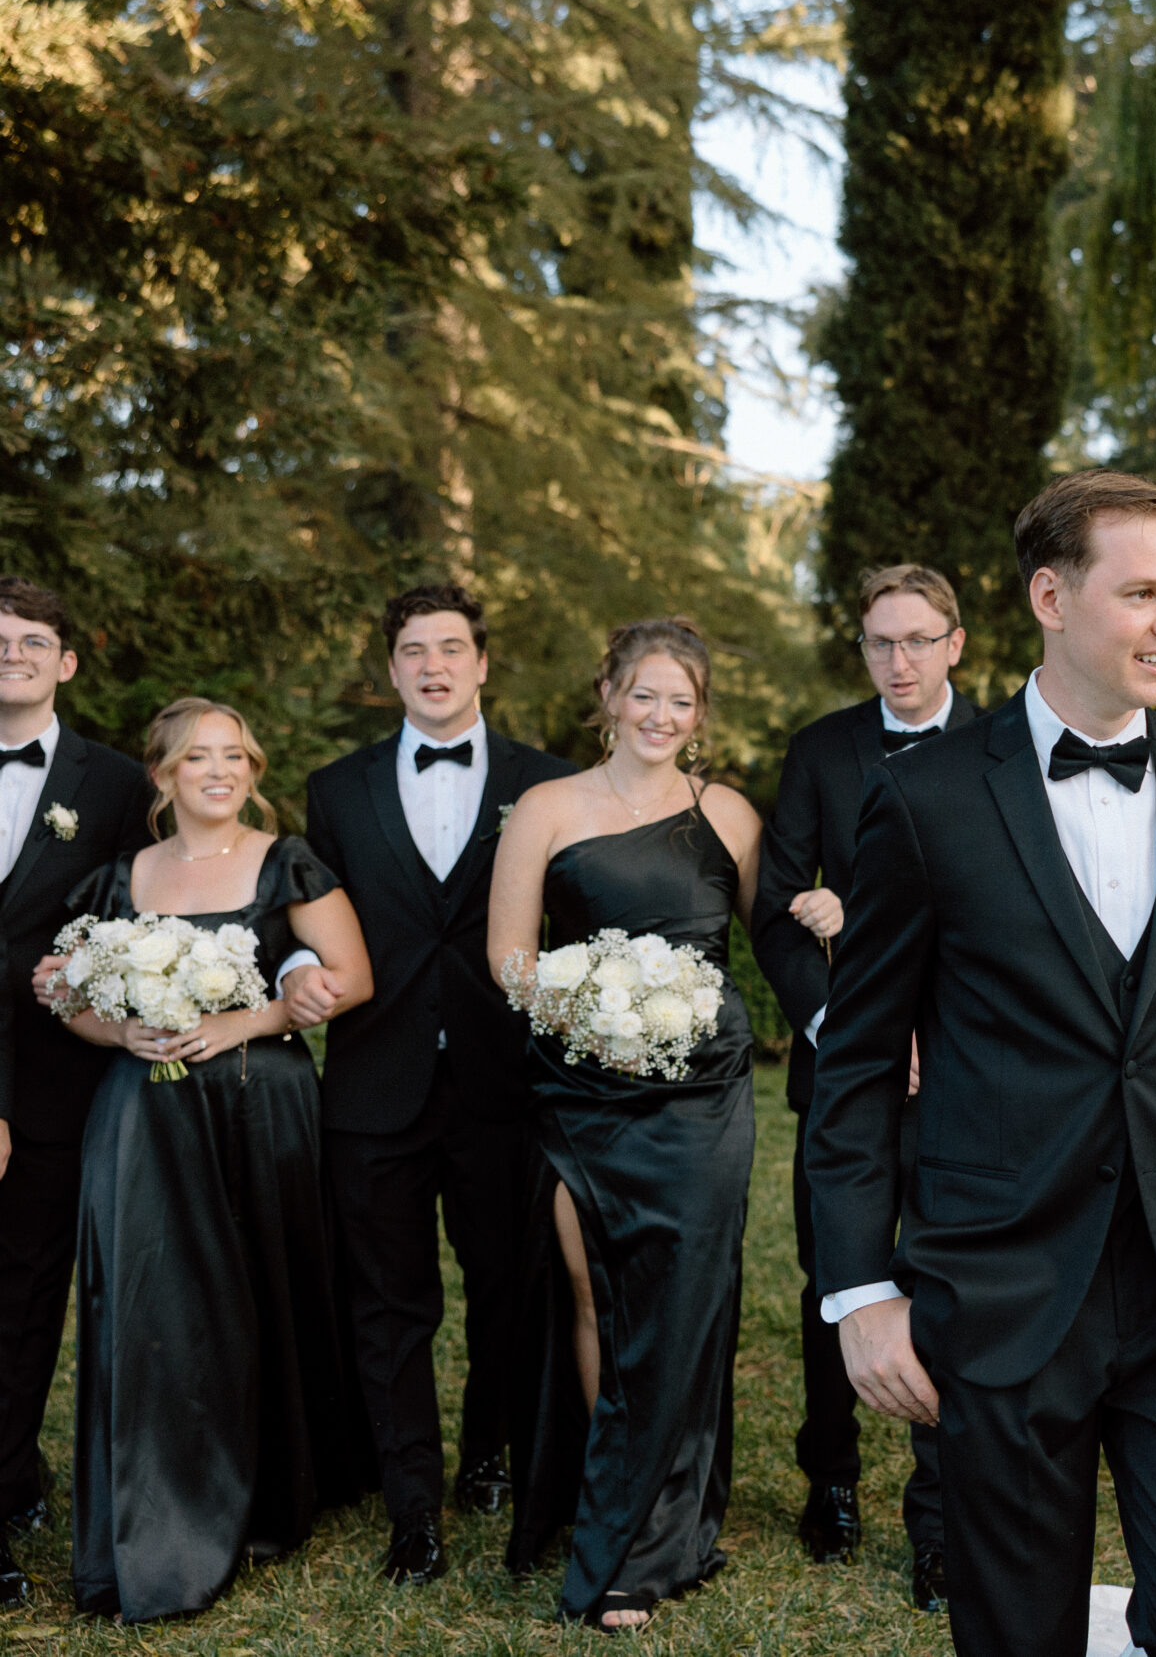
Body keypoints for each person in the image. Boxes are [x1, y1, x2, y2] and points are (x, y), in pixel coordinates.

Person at [803, 469, 1156, 1657]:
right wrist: (859, 1290)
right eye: (1142, 592)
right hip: (1003, 1289)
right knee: (1016, 1633)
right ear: (1050, 595)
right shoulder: (925, 801)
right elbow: (861, 1064)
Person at [54, 698, 373, 1621]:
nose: (222, 771)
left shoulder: (288, 862)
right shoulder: (119, 878)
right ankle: (159, 1499)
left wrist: (251, 1017)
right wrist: (122, 1030)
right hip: (142, 1115)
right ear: (162, 777)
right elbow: (66, 993)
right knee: (155, 1298)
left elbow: (351, 976)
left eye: (236, 755)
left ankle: (272, 1487)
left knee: (260, 1285)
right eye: (200, 758)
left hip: (257, 1104)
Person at [300, 584, 577, 1585]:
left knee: (509, 1285)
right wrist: (299, 977)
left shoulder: (549, 785)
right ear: (390, 670)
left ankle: (493, 1455)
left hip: (509, 1084)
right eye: (412, 650)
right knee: (389, 1300)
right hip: (376, 1083)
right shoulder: (336, 790)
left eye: (451, 648)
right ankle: (410, 1502)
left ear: (482, 663)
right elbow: (304, 919)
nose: (433, 666)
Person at [489, 617, 762, 1631]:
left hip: (701, 1096)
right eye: (644, 694)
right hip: (580, 1091)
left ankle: (652, 1531)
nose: (661, 716)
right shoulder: (548, 808)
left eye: (680, 701)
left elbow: (770, 940)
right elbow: (511, 958)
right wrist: (588, 1012)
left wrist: (828, 922)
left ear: (700, 714)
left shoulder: (726, 812)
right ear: (607, 694)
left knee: (687, 1302)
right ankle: (611, 1498)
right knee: (593, 1290)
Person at [750, 562, 976, 1594]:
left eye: (919, 640)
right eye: (882, 642)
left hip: (966, 1080)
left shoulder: (1001, 751)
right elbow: (776, 910)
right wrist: (853, 1033)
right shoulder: (820, 752)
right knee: (833, 1283)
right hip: (846, 1073)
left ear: (956, 644)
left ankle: (937, 1520)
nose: (900, 660)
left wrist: (951, 1035)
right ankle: (830, 1478)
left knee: (950, 1288)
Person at [0, 578, 151, 1610]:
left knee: (22, 1306)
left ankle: (9, 1475)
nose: (11, 651)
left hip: (57, 1087)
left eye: (33, 640)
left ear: (67, 663)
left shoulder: (116, 785)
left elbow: (148, 921)